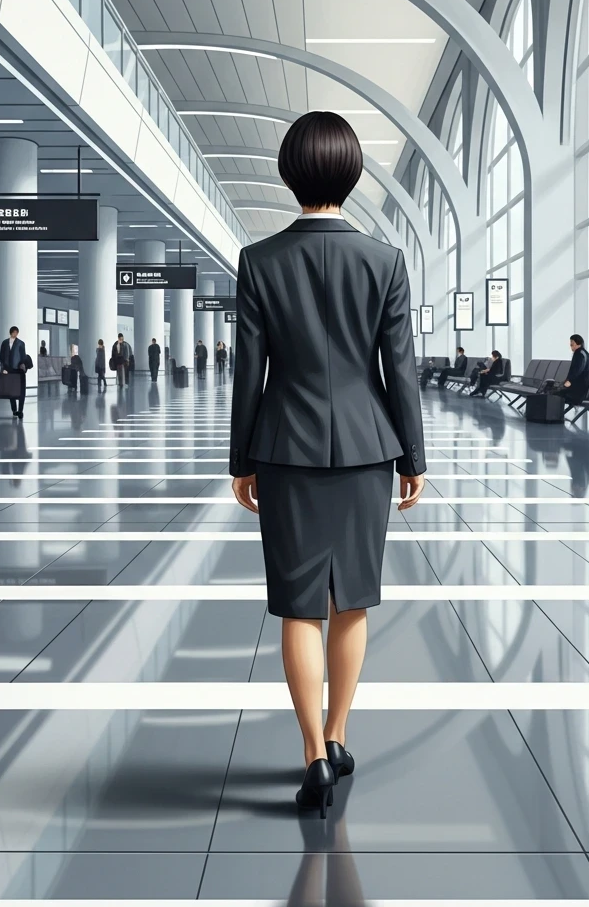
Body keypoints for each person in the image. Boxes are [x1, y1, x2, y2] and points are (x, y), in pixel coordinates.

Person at [229, 111, 426, 819]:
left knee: (299, 604)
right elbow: (399, 368)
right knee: (353, 601)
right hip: (369, 448)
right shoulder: (386, 261)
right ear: (352, 173)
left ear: (289, 173)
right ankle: (339, 735)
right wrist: (413, 456)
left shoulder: (259, 261)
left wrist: (242, 459)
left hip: (285, 447)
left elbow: (249, 371)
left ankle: (312, 749)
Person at [0, 326, 29, 419]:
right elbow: (2, 357)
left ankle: (20, 410)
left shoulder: (21, 343)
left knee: (21, 391)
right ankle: (14, 410)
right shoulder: (4, 343)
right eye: (14, 332)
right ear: (10, 332)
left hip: (19, 370)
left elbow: (23, 357)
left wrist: (23, 366)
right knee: (11, 391)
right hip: (9, 370)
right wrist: (3, 368)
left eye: (16, 332)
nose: (15, 334)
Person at [561, 333, 589, 406]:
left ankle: (556, 413)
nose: (570, 345)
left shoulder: (579, 353)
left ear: (578, 343)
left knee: (553, 394)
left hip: (577, 390)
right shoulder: (583, 352)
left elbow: (578, 370)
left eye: (572, 342)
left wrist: (569, 381)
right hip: (580, 387)